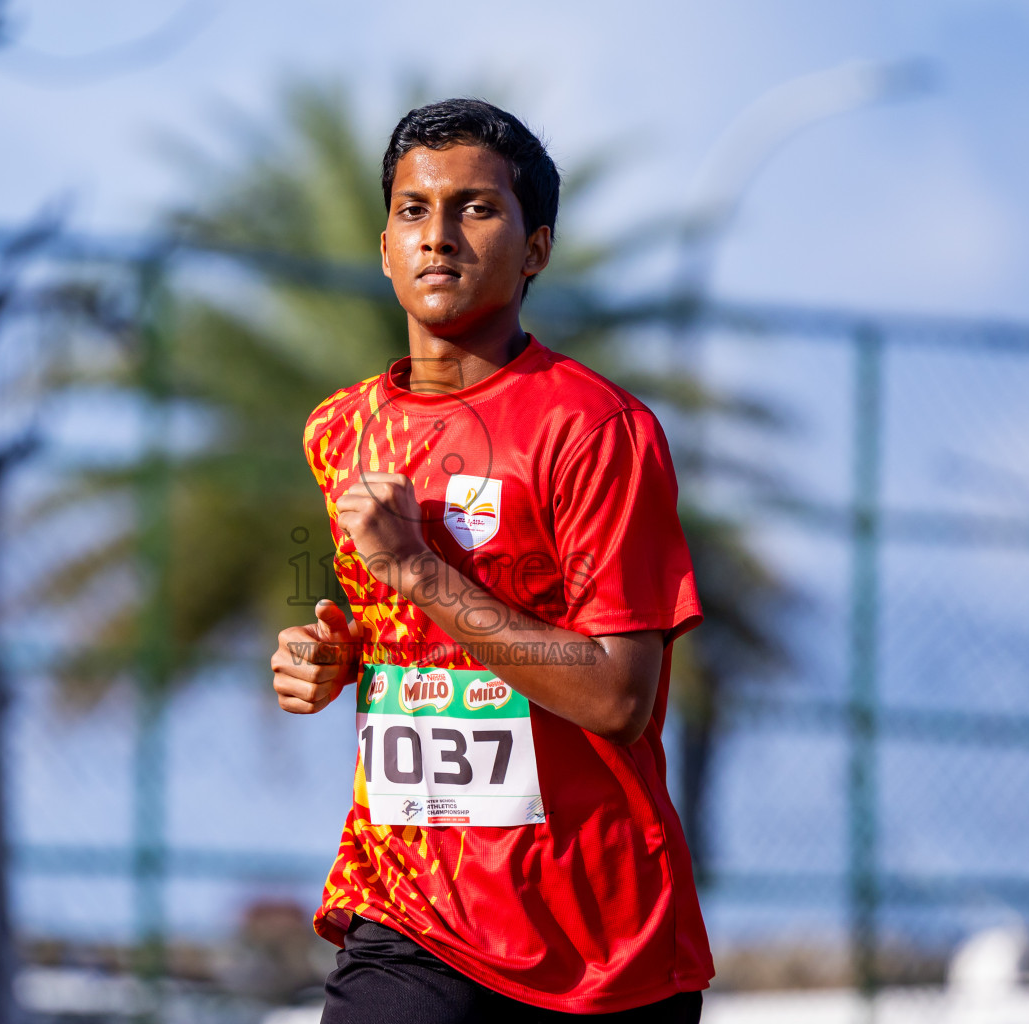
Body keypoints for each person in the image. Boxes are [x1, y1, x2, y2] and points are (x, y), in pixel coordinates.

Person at [270, 98, 712, 1022]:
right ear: (384, 246)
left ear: (536, 247)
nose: (440, 237)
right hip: (409, 911)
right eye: (412, 210)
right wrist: (328, 659)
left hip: (596, 949)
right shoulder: (336, 430)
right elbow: (373, 626)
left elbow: (618, 699)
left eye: (476, 208)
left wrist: (422, 572)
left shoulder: (597, 432)